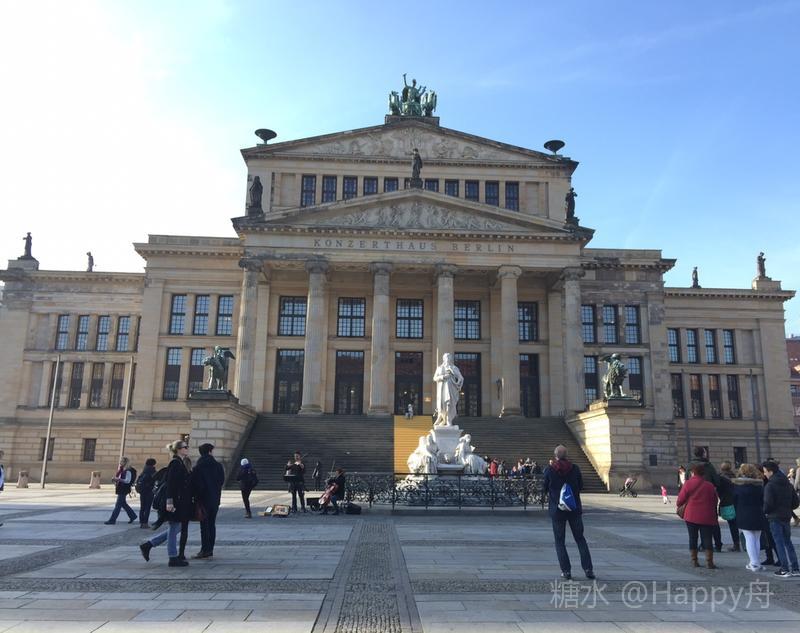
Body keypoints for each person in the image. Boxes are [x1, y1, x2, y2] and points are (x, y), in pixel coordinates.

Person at [542, 445, 595, 580]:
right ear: (566, 455)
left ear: (556, 456)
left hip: (557, 510)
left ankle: (566, 571)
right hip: (574, 509)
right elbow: (581, 486)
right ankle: (588, 569)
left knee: (560, 541)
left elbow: (544, 488)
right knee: (580, 539)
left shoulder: (549, 469)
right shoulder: (575, 468)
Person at [139, 440, 193, 567]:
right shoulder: (175, 463)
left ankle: (149, 545)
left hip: (178, 500)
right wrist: (169, 502)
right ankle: (172, 557)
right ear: (178, 449)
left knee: (177, 527)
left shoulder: (179, 462)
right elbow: (171, 484)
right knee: (174, 527)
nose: (187, 448)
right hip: (175, 501)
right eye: (185, 447)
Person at [676, 463, 719, 569]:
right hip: (707, 515)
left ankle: (694, 561)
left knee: (693, 537)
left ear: (693, 473)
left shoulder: (688, 484)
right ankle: (709, 562)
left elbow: (680, 500)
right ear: (703, 473)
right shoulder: (709, 485)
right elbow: (715, 500)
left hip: (691, 515)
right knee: (707, 538)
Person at [762, 460, 800, 577]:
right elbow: (796, 503)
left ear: (771, 472)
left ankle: (784, 568)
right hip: (786, 516)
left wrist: (765, 511)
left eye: (765, 471)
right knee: (788, 542)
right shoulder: (787, 484)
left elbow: (768, 504)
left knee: (779, 543)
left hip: (774, 516)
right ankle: (795, 568)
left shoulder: (770, 485)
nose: (764, 474)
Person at [191, 443, 225, 559]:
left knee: (204, 525)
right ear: (210, 452)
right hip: (215, 499)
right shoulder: (218, 466)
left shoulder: (198, 467)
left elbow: (196, 484)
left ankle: (204, 549)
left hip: (203, 500)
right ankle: (210, 549)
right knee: (211, 524)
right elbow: (221, 481)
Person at [733, 463, 767, 571]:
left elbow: (734, 501)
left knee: (749, 538)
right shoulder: (759, 486)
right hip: (758, 513)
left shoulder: (737, 486)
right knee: (756, 538)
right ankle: (756, 561)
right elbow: (763, 501)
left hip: (743, 513)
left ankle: (754, 562)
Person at [690, 447, 722, 550]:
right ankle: (717, 544)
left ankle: (702, 545)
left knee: (695, 523)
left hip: (693, 499)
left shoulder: (690, 466)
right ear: (703, 454)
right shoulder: (709, 466)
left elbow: (686, 482)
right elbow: (717, 481)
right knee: (713, 522)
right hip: (708, 498)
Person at [104, 457, 137, 525]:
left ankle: (112, 520)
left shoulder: (128, 470)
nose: (120, 462)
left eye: (121, 461)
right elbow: (120, 477)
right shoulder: (122, 469)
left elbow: (127, 481)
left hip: (124, 489)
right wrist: (116, 479)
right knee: (123, 504)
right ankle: (133, 516)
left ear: (125, 462)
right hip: (121, 488)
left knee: (118, 505)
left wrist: (118, 479)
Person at [433, 353, 463, 426]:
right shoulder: (439, 368)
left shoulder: (454, 368)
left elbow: (460, 377)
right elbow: (435, 378)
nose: (448, 359)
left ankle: (449, 420)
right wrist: (443, 377)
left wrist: (458, 382)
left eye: (449, 357)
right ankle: (442, 419)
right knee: (442, 405)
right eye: (446, 357)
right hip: (442, 389)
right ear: (443, 359)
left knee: (449, 404)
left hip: (451, 388)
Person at [718, 461, 740, 552]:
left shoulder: (721, 478)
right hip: (736, 502)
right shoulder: (734, 476)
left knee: (732, 524)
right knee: (735, 524)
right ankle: (737, 543)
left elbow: (719, 490)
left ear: (721, 468)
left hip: (727, 502)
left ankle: (736, 544)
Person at [136, 458, 157, 529]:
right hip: (149, 491)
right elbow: (156, 479)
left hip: (142, 491)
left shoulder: (144, 470)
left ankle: (141, 522)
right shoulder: (152, 471)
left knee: (142, 507)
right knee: (147, 508)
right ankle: (145, 523)